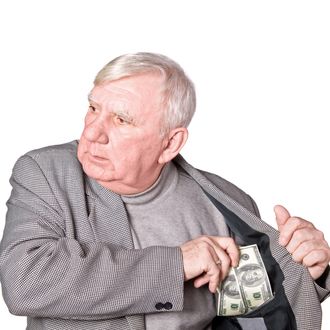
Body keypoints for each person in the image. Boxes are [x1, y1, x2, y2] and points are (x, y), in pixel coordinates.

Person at [0, 52, 329, 330]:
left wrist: (303, 271)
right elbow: (26, 281)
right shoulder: (45, 173)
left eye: (121, 120)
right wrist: (178, 264)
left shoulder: (227, 204)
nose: (93, 132)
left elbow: (251, 313)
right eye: (93, 108)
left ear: (170, 142)